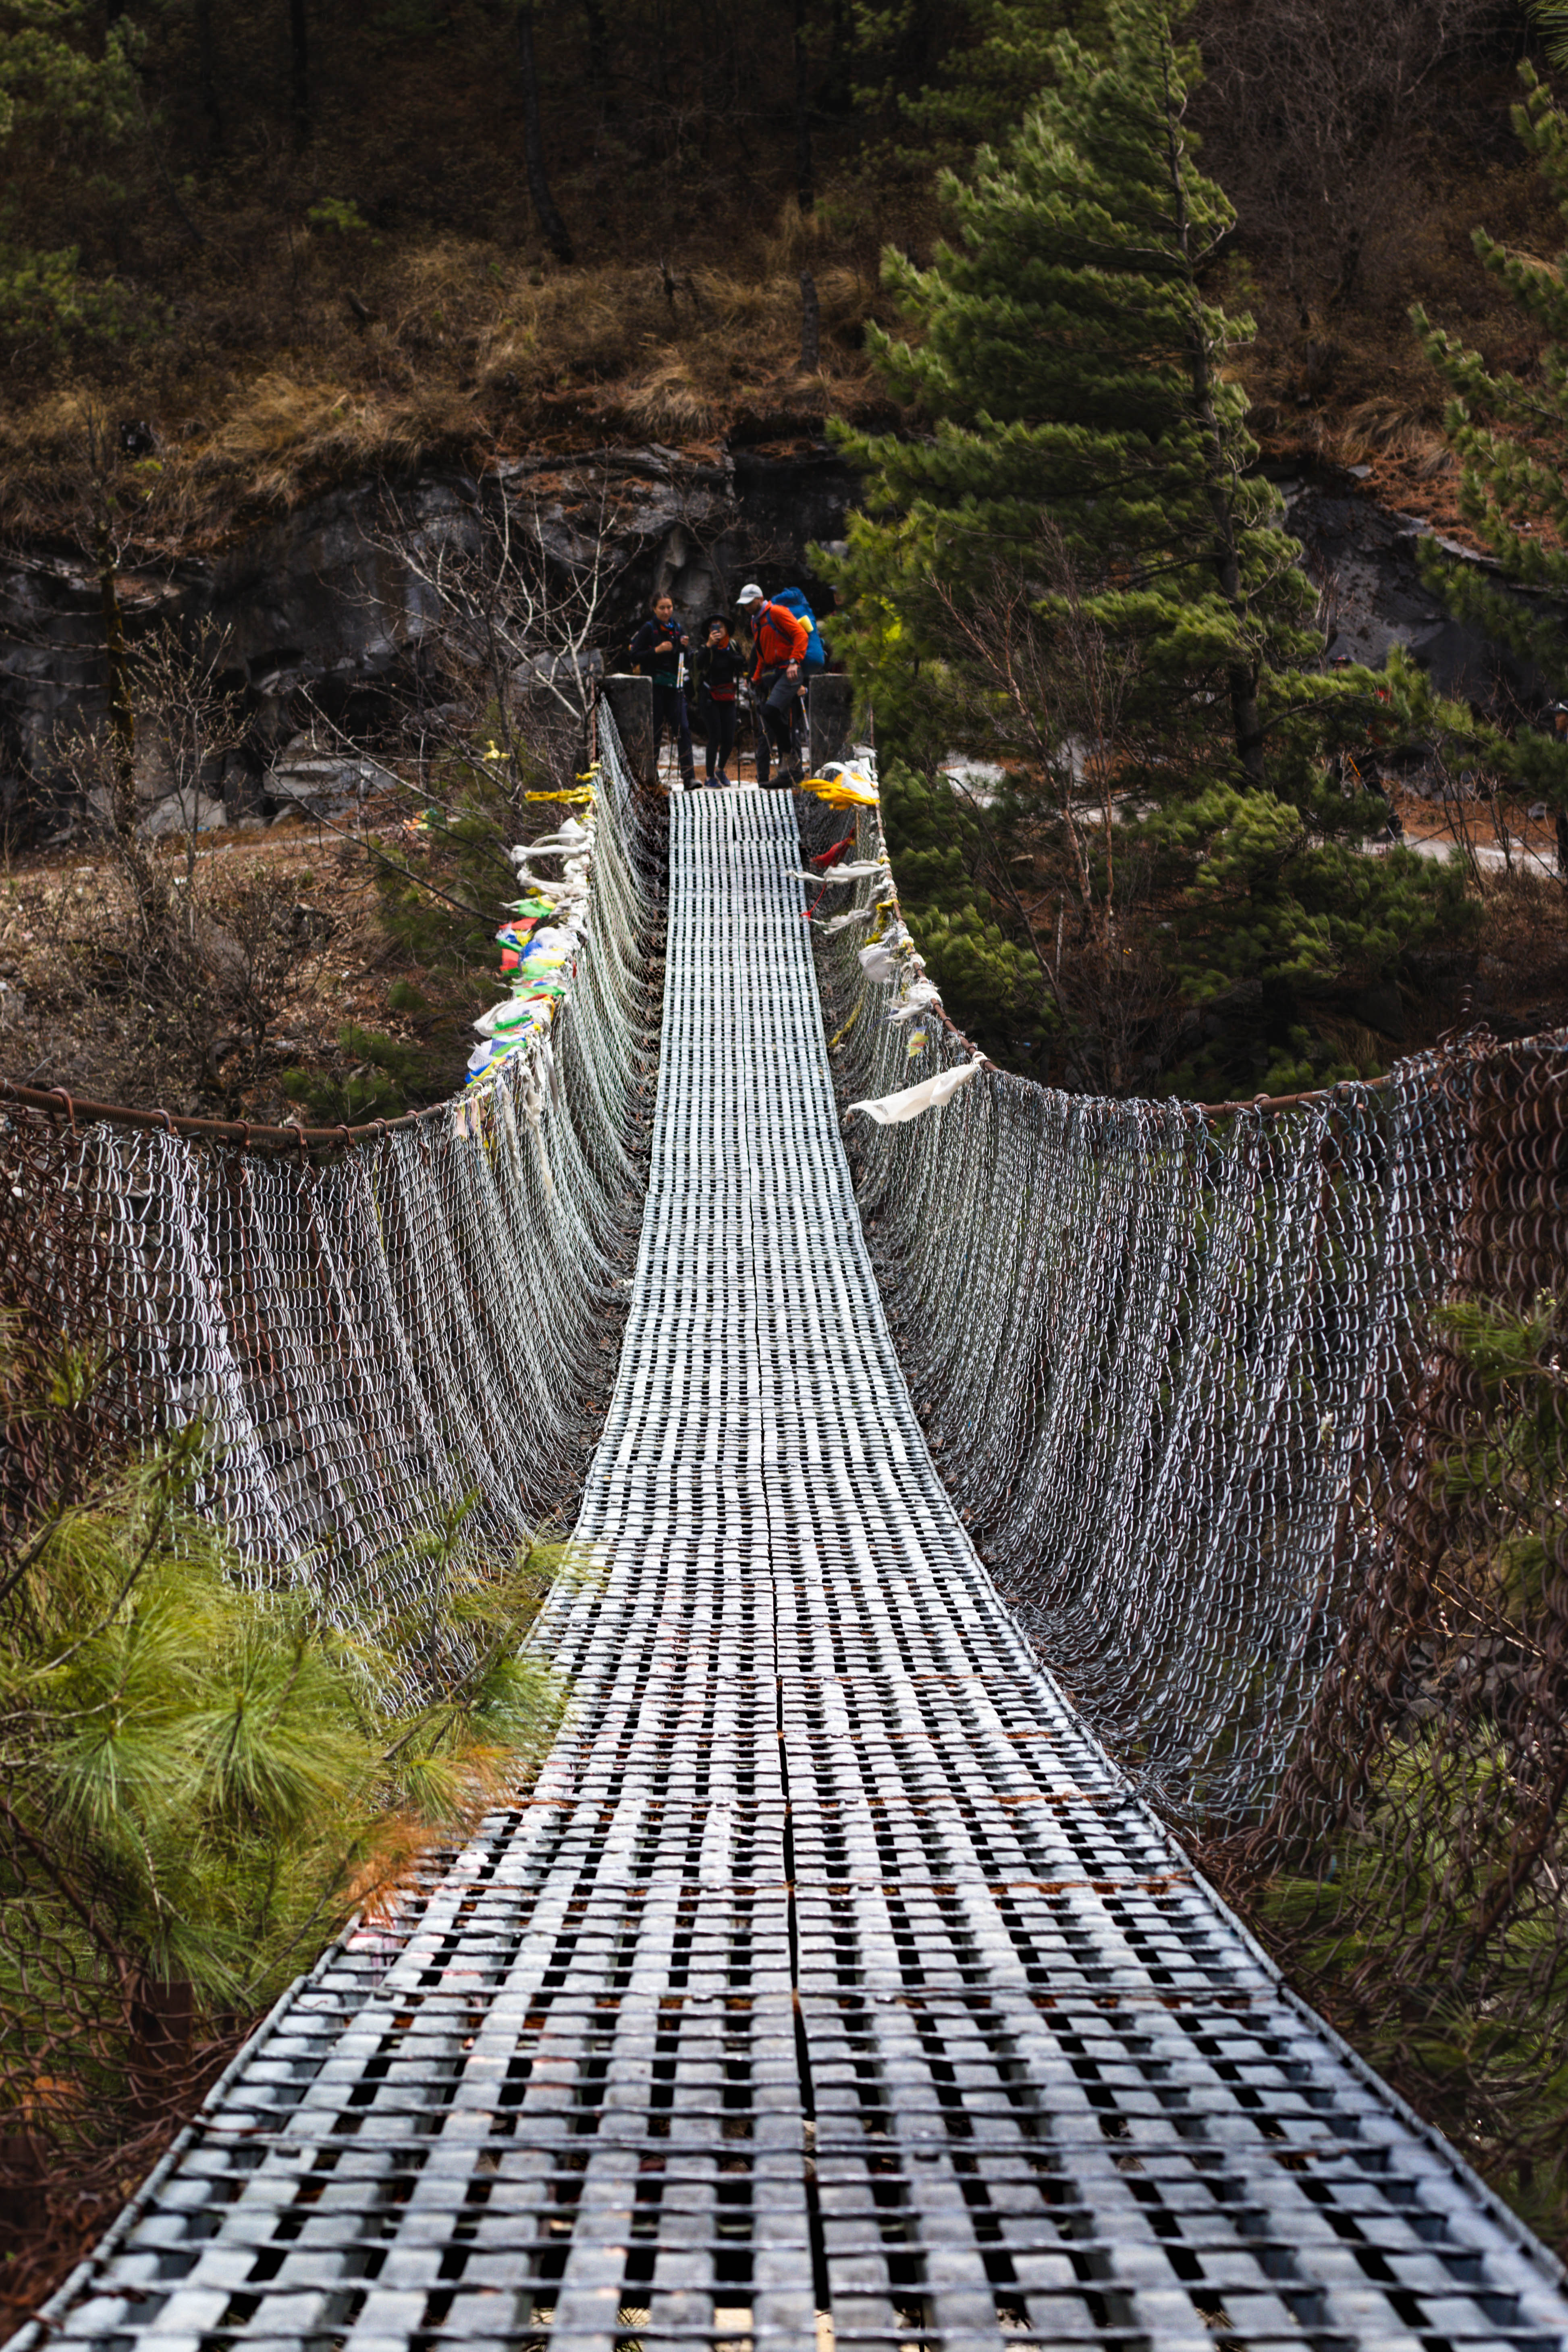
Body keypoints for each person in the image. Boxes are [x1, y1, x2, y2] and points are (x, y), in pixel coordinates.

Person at [739, 583, 810, 787]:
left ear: (760, 599)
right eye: (744, 604)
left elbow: (801, 635)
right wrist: (756, 677)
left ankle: (789, 758)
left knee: (770, 712)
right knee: (770, 716)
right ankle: (788, 775)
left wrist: (795, 661)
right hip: (773, 674)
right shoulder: (756, 622)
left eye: (750, 603)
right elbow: (763, 653)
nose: (747, 607)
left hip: (790, 672)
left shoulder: (777, 613)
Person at [630, 590, 695, 788]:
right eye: (662, 608)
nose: (667, 612)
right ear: (654, 609)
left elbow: (686, 658)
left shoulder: (678, 628)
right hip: (655, 688)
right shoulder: (649, 629)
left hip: (675, 687)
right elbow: (634, 655)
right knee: (655, 733)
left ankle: (689, 778)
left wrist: (685, 647)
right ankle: (651, 778)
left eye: (669, 607)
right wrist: (656, 651)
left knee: (683, 729)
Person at [695, 614, 746, 786]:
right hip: (709, 697)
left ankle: (721, 770)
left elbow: (742, 663)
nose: (717, 631)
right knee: (715, 736)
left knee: (729, 738)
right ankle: (709, 777)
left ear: (727, 630)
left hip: (728, 696)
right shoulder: (706, 648)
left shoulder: (733, 646)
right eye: (713, 628)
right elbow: (698, 664)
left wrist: (727, 654)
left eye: (720, 627)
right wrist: (710, 646)